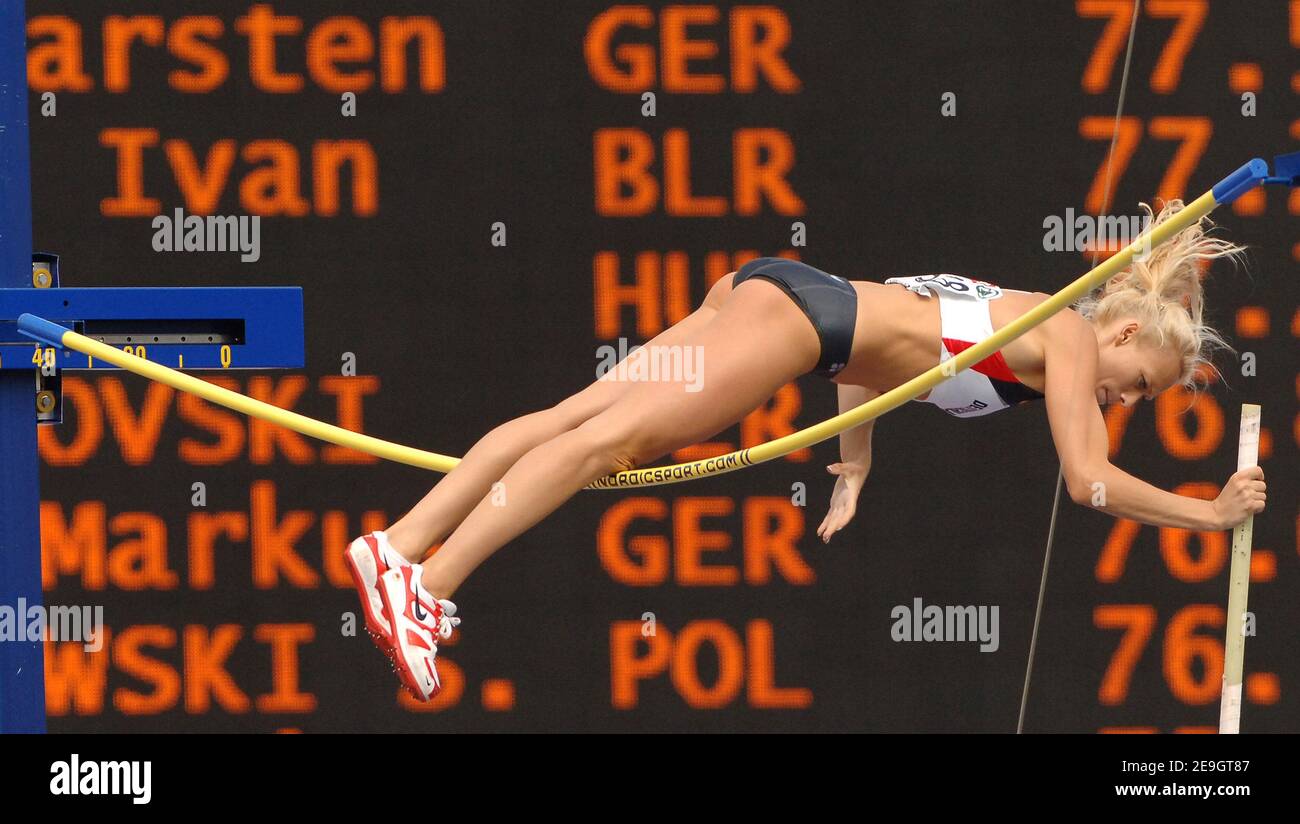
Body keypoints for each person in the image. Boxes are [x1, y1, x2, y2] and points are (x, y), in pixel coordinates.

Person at [344, 200, 1268, 700]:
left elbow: (882, 354)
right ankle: (425, 590)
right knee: (603, 445)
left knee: (569, 420)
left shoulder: (1021, 318)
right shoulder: (1066, 335)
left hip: (791, 299)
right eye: (1141, 382)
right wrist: (1208, 513)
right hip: (800, 322)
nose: (1128, 400)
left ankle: (396, 549)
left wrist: (856, 462)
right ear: (1122, 337)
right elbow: (1089, 483)